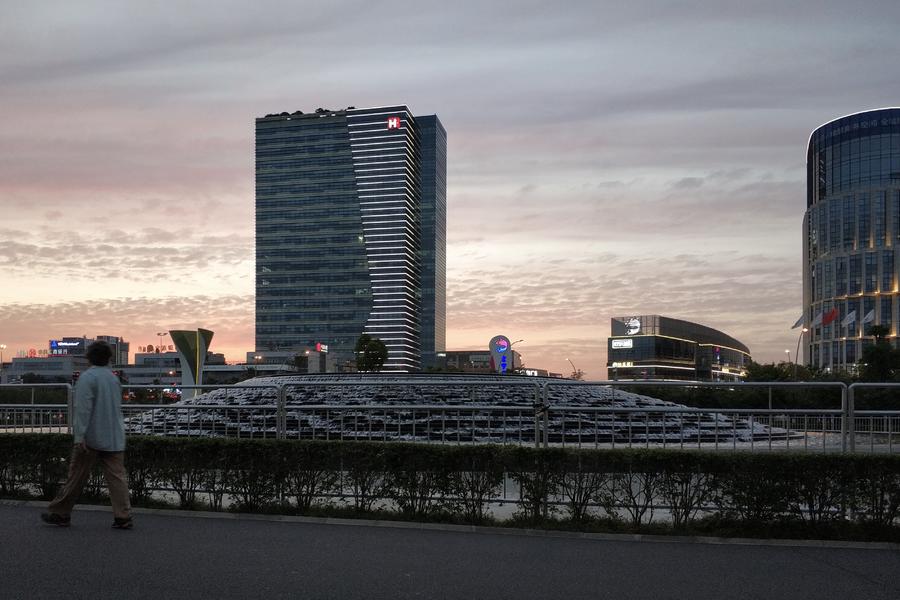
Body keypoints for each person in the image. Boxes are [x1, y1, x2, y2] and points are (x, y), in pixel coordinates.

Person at [41, 341, 133, 529]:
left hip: (90, 438)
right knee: (117, 478)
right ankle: (123, 516)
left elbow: (83, 410)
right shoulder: (113, 379)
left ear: (89, 358)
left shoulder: (87, 378)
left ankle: (61, 513)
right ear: (109, 358)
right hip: (114, 436)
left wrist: (79, 437)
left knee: (76, 477)